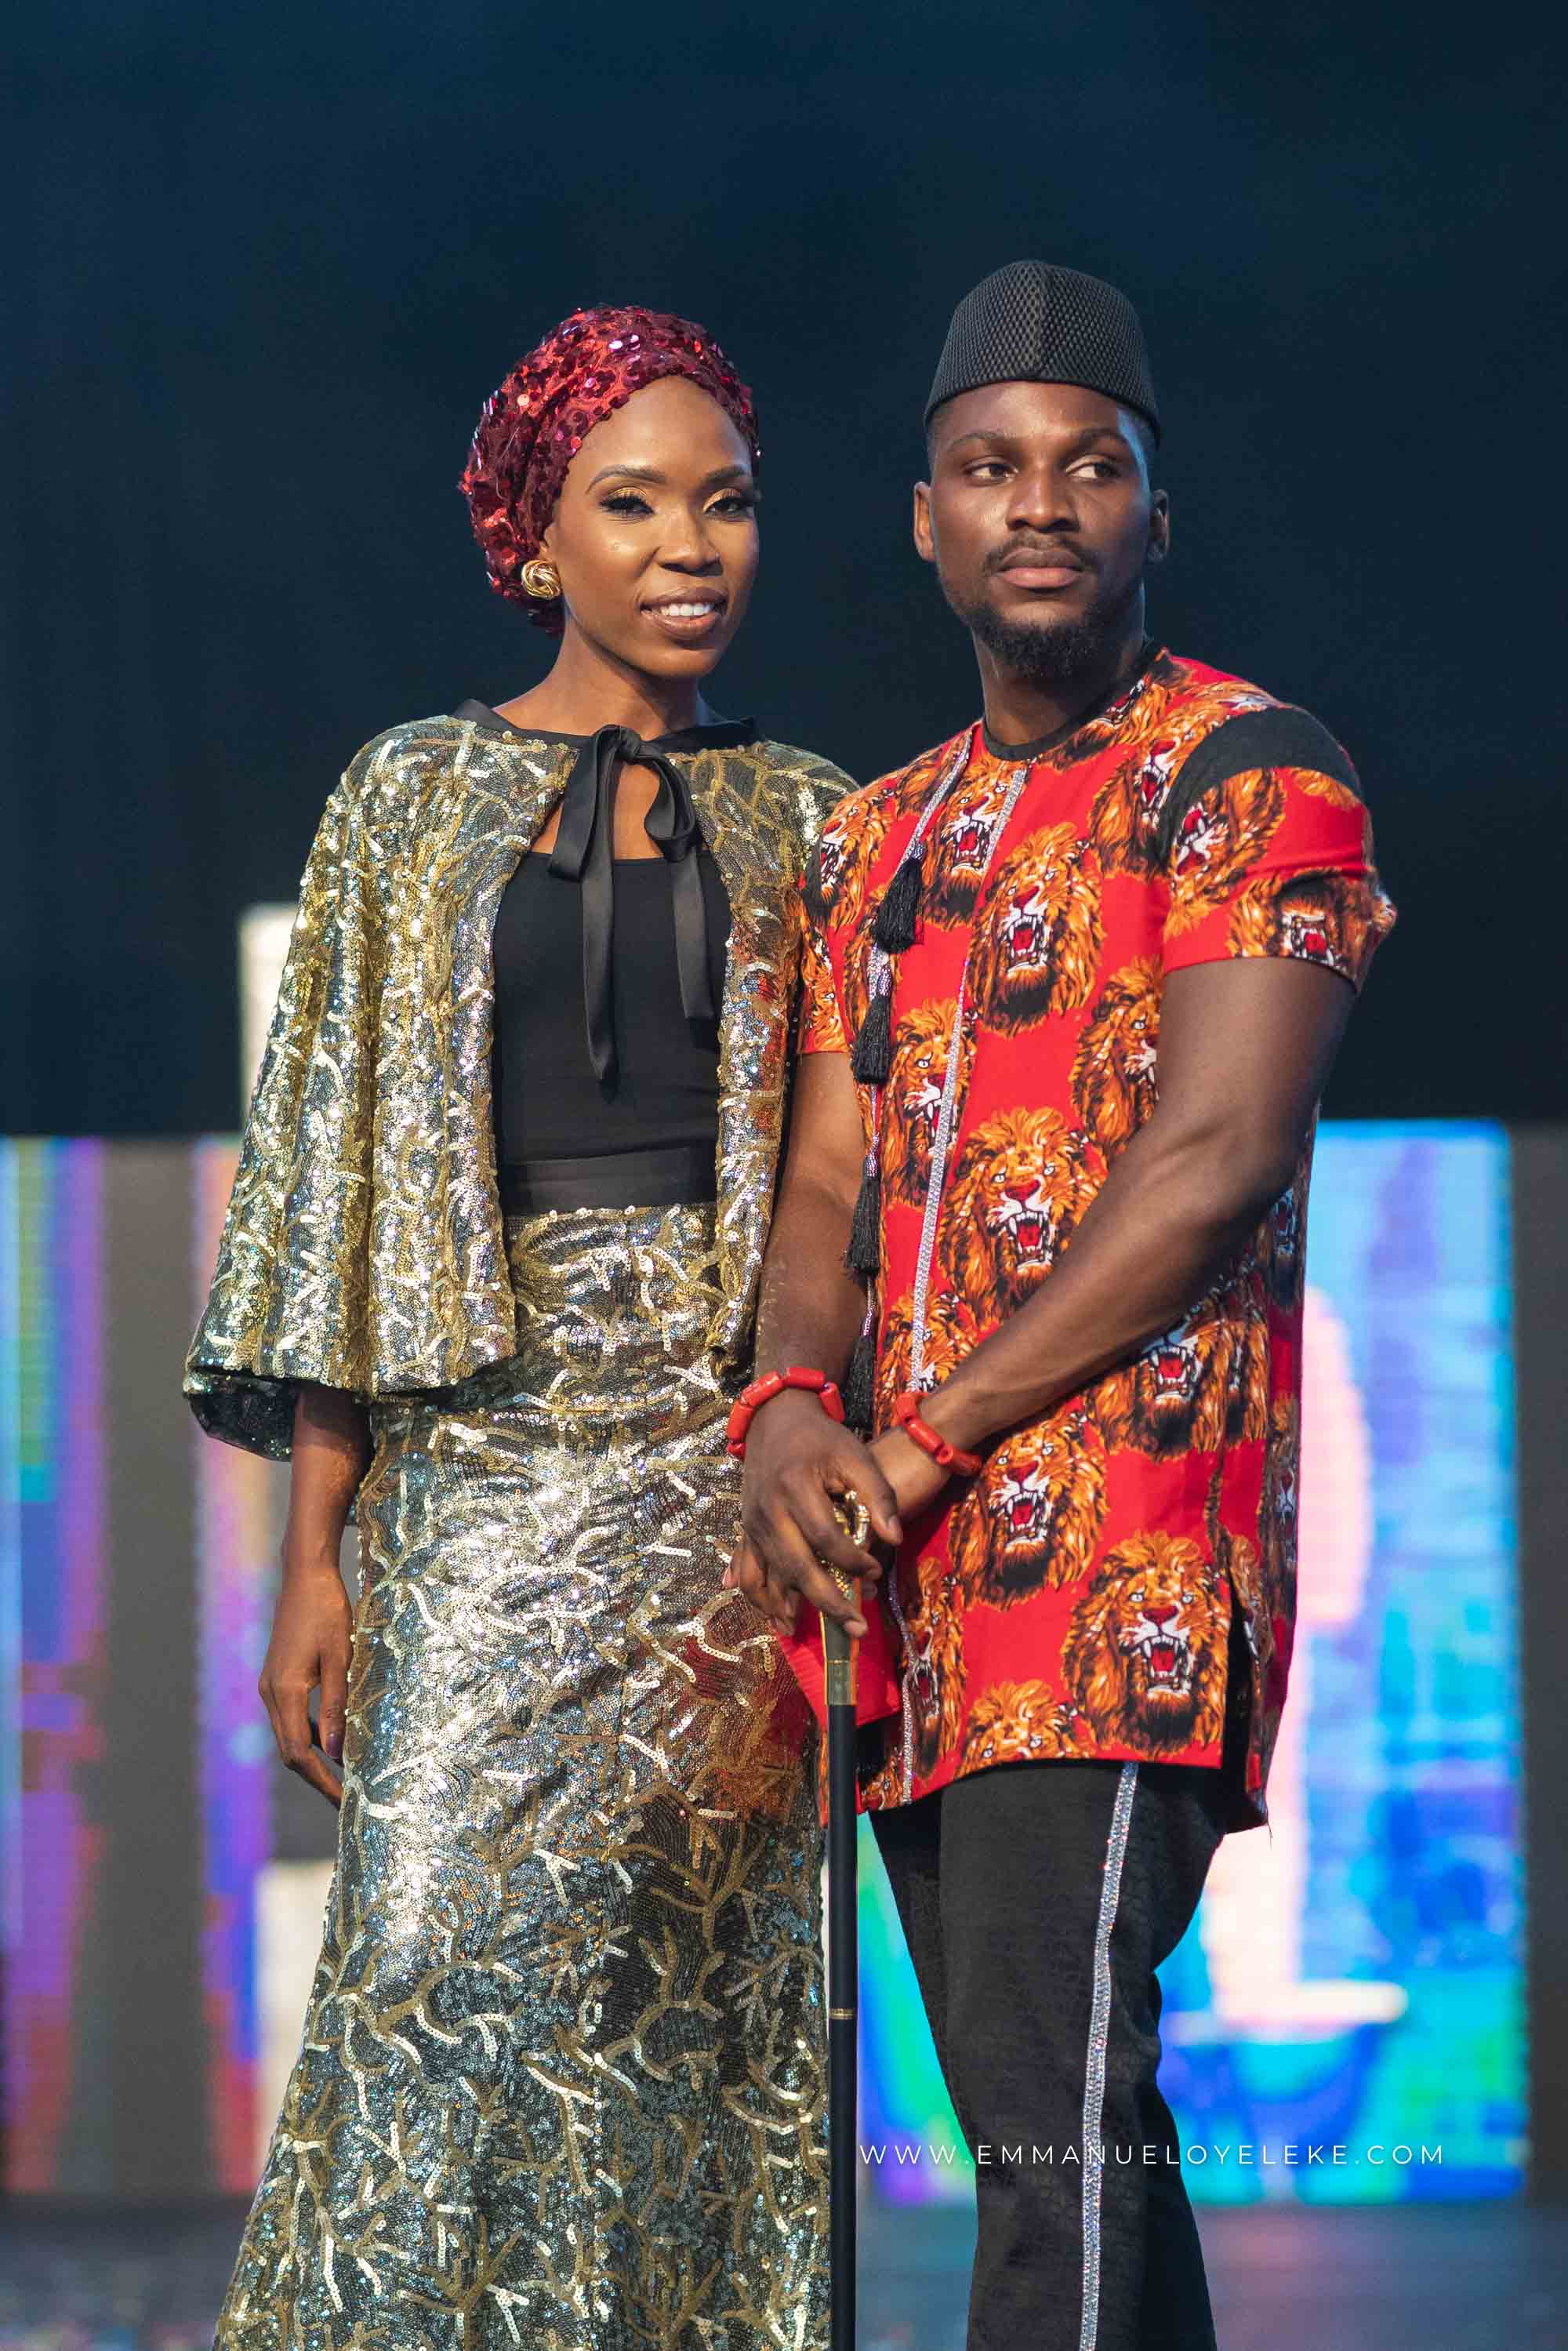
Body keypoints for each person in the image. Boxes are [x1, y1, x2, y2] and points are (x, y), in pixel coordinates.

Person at [728, 261, 1397, 2351]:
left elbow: (1215, 1160)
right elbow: (824, 1186)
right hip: (900, 1574)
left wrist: (925, 1432)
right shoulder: (869, 843)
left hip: (1119, 1563)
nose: (1040, 501)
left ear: (1152, 516)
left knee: (1052, 2122)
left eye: (1088, 467)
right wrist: (786, 1406)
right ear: (926, 521)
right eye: (990, 467)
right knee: (1062, 2128)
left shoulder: (1251, 772)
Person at [183, 305, 851, 2349]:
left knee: (699, 2011)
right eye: (631, 505)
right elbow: (334, 1195)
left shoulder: (821, 814)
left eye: (725, 502)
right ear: (531, 537)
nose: (689, 547)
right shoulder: (409, 796)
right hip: (474, 1469)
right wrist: (314, 1556)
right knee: (421, 1971)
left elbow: (861, 1187)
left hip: (725, 1484)